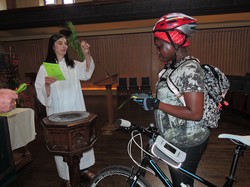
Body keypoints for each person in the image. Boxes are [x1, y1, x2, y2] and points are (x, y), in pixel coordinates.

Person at [135, 13, 210, 187]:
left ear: (175, 41)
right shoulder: (174, 67)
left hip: (189, 142)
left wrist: (157, 104)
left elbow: (195, 112)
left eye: (160, 46)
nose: (158, 51)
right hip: (175, 139)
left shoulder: (190, 69)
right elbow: (173, 99)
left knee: (182, 184)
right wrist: (153, 100)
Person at [35, 33, 95, 186]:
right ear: (53, 46)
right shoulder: (45, 68)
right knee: (63, 144)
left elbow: (87, 72)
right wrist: (47, 84)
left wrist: (86, 54)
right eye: (60, 43)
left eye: (65, 43)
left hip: (76, 108)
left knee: (80, 140)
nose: (64, 46)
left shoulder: (72, 65)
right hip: (58, 112)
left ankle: (83, 169)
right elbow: (42, 92)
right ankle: (67, 177)